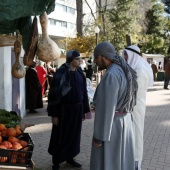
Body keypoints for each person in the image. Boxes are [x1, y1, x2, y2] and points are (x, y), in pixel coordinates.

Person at [90, 42, 138, 170]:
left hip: (112, 127)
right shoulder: (124, 69)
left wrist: (99, 137)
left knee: (109, 162)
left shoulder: (111, 74)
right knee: (121, 162)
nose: (95, 61)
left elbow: (107, 109)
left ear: (104, 57)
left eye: (96, 57)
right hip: (125, 122)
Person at [47, 50, 90, 170]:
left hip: (77, 109)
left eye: (80, 58)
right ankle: (56, 162)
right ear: (71, 60)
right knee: (60, 136)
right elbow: (54, 95)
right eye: (77, 59)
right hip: (63, 111)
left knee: (74, 136)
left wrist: (85, 110)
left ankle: (70, 157)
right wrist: (54, 114)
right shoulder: (61, 72)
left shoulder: (80, 72)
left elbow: (84, 92)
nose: (80, 60)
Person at [122, 45, 153, 170]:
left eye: (126, 55)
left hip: (136, 107)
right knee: (130, 135)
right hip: (131, 106)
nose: (124, 57)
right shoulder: (136, 66)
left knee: (136, 134)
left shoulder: (139, 69)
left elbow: (133, 91)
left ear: (131, 55)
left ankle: (136, 164)